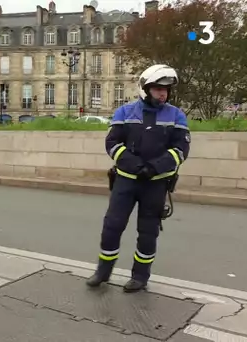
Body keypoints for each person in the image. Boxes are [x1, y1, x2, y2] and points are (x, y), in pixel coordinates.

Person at [86, 64, 191, 293]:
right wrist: (134, 165)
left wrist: (154, 168)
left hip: (156, 184)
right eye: (158, 89)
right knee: (112, 226)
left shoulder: (176, 115)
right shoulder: (124, 113)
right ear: (145, 88)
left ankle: (140, 277)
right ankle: (103, 272)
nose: (163, 93)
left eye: (166, 90)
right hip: (126, 181)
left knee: (148, 231)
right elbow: (112, 143)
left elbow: (181, 149)